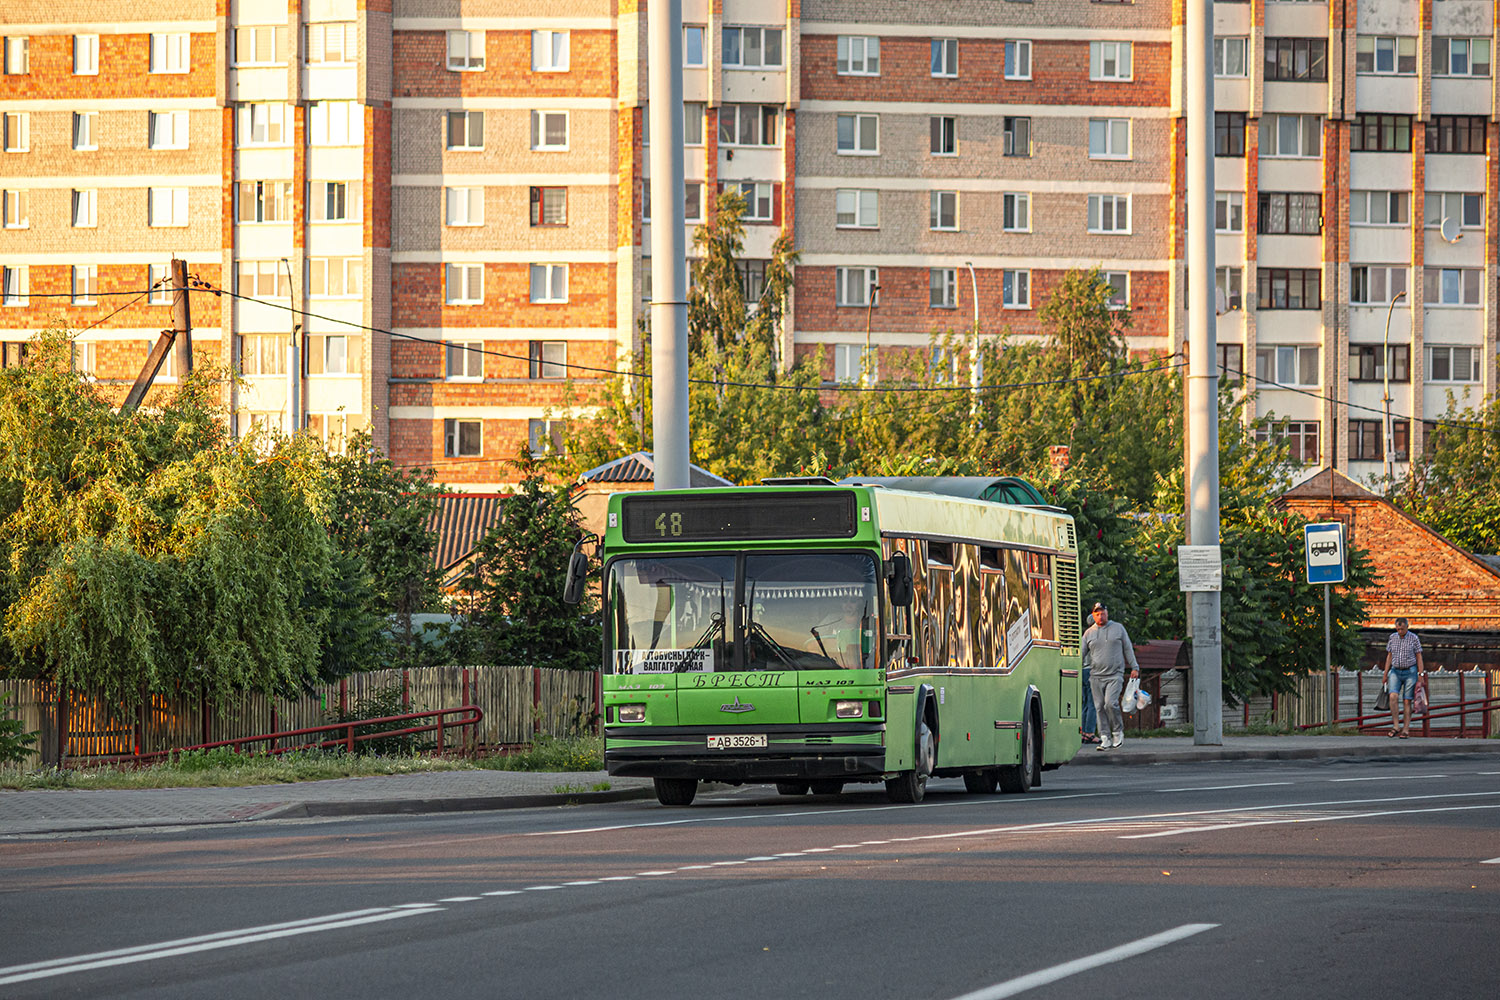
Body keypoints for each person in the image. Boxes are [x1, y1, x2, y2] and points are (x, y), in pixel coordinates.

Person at [1081, 601, 1139, 751]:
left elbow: (1127, 648)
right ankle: (1105, 737)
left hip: (1115, 674)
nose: (1101, 616)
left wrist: (1134, 667)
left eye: (1103, 613)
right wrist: (1074, 668)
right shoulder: (1089, 633)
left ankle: (1117, 732)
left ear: (1107, 613)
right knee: (1099, 707)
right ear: (1093, 616)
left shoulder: (1118, 628)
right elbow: (1081, 654)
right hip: (1095, 676)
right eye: (1097, 614)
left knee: (1110, 703)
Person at [1382, 617, 1426, 739]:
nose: (1400, 631)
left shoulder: (1414, 638)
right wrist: (1385, 673)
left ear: (1407, 627)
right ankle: (1396, 726)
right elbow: (1389, 656)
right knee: (1393, 696)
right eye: (1398, 628)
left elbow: (1419, 657)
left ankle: (1405, 729)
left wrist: (1420, 674)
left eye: (1402, 629)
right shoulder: (1392, 638)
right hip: (1395, 670)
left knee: (1407, 700)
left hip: (1410, 671)